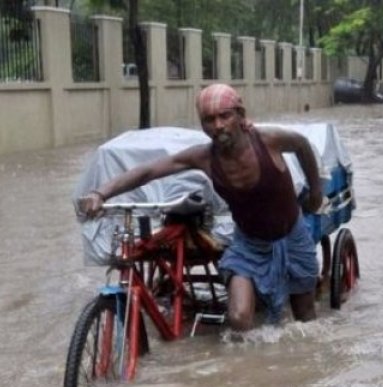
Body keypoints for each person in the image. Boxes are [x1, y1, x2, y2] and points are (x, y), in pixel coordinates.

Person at [80, 83, 323, 333]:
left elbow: (302, 145)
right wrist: (101, 193)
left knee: (305, 318)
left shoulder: (268, 140)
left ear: (240, 115)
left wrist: (316, 191)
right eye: (209, 120)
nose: (217, 125)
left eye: (224, 116)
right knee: (239, 318)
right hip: (248, 244)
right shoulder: (204, 157)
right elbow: (149, 170)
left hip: (292, 236)